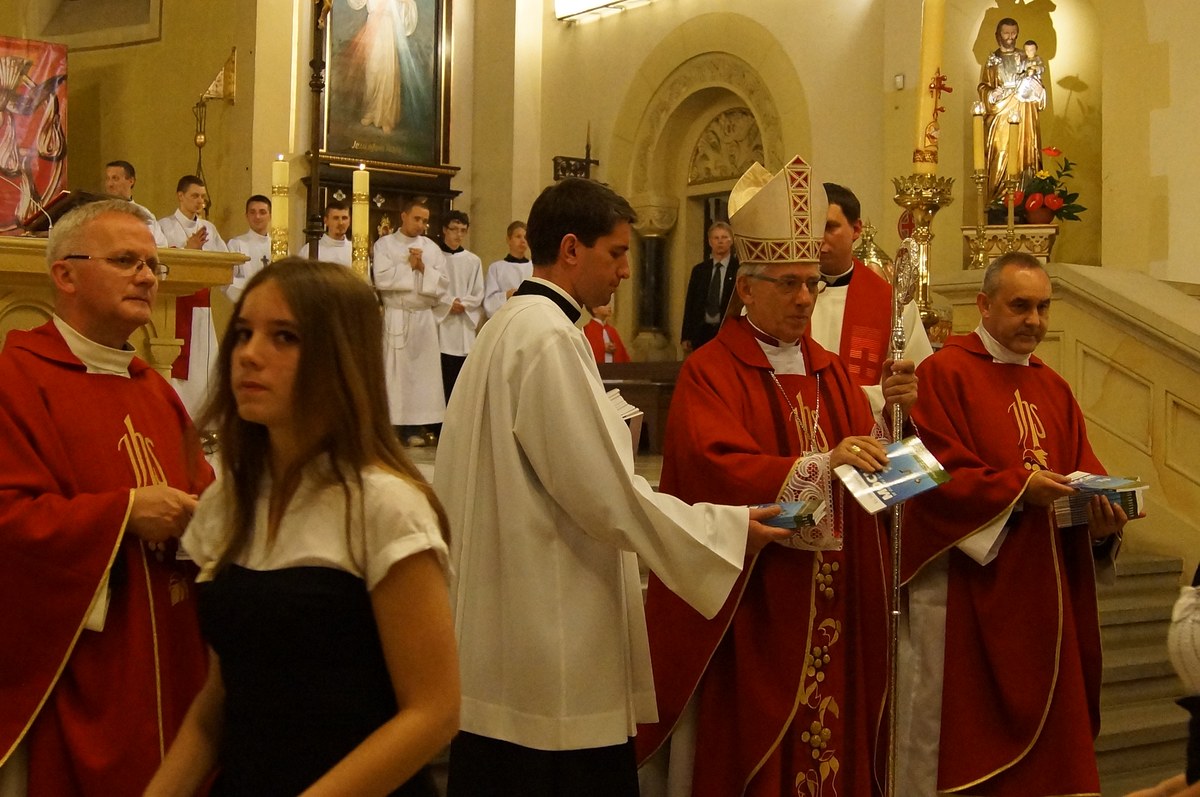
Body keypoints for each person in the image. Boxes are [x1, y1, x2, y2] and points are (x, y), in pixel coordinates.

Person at [434, 176, 791, 797]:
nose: (626, 270)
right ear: (572, 249)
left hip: (503, 626)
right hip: (550, 636)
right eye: (617, 252)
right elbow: (606, 495)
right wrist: (728, 529)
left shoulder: (507, 326)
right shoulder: (548, 338)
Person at [637, 155, 918, 797]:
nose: (804, 299)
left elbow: (870, 469)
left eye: (812, 284)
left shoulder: (831, 370)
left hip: (838, 601)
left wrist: (900, 436)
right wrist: (823, 464)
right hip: (759, 609)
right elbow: (713, 471)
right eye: (789, 284)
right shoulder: (711, 372)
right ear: (745, 288)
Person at [145, 259, 460, 797]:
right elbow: (218, 703)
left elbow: (433, 712)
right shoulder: (227, 503)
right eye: (244, 333)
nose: (249, 353)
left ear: (340, 358)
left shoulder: (383, 506)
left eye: (284, 337)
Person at [896, 252, 1131, 795]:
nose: (1034, 320)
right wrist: (1019, 491)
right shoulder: (943, 373)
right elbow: (924, 475)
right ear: (983, 304)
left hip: (1050, 600)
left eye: (1043, 308)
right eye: (1020, 306)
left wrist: (1102, 525)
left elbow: (1084, 475)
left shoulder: (1055, 388)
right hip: (974, 597)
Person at [0, 199, 211, 795]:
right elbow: (8, 521)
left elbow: (205, 494)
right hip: (84, 670)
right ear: (64, 274)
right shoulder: (18, 379)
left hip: (172, 652)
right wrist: (123, 514)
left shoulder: (154, 389)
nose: (146, 276)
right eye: (125, 261)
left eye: (152, 264)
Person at [811, 182, 932, 414]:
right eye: (811, 227)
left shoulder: (892, 303)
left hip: (867, 426)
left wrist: (847, 400)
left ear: (856, 229)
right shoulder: (784, 295)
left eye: (829, 227)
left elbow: (916, 383)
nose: (818, 238)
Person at [373, 197, 448, 446]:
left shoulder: (432, 248)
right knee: (396, 373)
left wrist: (423, 268)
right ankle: (392, 428)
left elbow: (443, 285)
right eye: (417, 219)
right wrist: (409, 266)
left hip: (423, 317)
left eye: (425, 221)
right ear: (403, 216)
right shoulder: (385, 245)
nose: (421, 225)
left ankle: (417, 427)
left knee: (421, 376)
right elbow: (381, 279)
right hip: (397, 315)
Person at [160, 175, 228, 418]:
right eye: (195, 196)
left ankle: (204, 419)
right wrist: (186, 250)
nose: (200, 201)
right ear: (180, 196)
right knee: (179, 364)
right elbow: (160, 261)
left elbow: (224, 261)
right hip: (176, 306)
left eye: (202, 197)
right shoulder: (165, 226)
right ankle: (179, 415)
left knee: (204, 365)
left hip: (202, 306)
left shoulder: (209, 229)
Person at [980, 17, 1044, 199]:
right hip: (1000, 114)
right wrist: (992, 94)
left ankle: (1025, 196)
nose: (1010, 37)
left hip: (1023, 112)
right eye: (1006, 33)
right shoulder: (992, 60)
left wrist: (1035, 87)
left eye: (1013, 33)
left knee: (1024, 151)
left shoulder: (1026, 57)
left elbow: (1037, 84)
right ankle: (998, 198)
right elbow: (983, 86)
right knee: (1000, 153)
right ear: (998, 35)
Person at [433, 209, 484, 402]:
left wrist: (464, 304)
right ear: (444, 230)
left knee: (462, 384)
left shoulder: (473, 260)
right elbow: (430, 287)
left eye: (463, 230)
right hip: (441, 325)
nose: (459, 234)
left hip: (463, 326)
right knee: (441, 381)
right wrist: (448, 303)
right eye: (454, 229)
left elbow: (478, 292)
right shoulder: (435, 257)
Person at [346, 0, 419, 134]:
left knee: (387, 70)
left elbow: (407, 5)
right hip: (373, 26)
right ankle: (371, 111)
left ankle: (386, 117)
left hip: (387, 28)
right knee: (372, 71)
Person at [680, 221, 738, 354]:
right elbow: (690, 303)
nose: (720, 242)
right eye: (716, 238)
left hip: (727, 330)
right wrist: (686, 335)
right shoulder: (699, 270)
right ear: (710, 242)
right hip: (702, 332)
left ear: (731, 240)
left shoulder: (738, 269)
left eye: (724, 237)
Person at [103, 159, 167, 246]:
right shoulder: (99, 212)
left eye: (115, 178)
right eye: (107, 178)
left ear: (131, 181)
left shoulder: (144, 214)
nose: (109, 184)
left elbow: (160, 246)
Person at [225, 194, 273, 302]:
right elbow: (227, 280)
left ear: (270, 216)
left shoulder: (278, 247)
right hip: (247, 304)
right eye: (252, 212)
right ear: (246, 216)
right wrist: (256, 290)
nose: (257, 217)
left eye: (262, 212)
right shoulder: (236, 244)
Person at [482, 220, 531, 318]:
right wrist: (507, 295)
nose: (523, 241)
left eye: (525, 237)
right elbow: (489, 302)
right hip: (506, 318)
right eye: (518, 237)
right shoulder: (496, 268)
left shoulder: (534, 267)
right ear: (508, 240)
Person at [297, 200, 353, 267]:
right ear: (326, 220)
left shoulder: (354, 250)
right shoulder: (309, 249)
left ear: (349, 221)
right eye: (336, 218)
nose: (341, 223)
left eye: (344, 218)